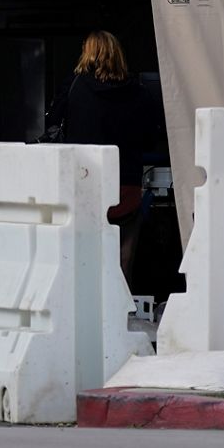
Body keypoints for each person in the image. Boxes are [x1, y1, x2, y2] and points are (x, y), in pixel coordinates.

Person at [45, 31, 148, 285]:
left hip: (85, 181)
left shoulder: (74, 85)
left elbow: (52, 124)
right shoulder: (138, 90)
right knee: (124, 253)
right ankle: (122, 308)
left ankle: (85, 303)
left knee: (81, 249)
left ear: (87, 53)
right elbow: (149, 132)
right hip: (127, 186)